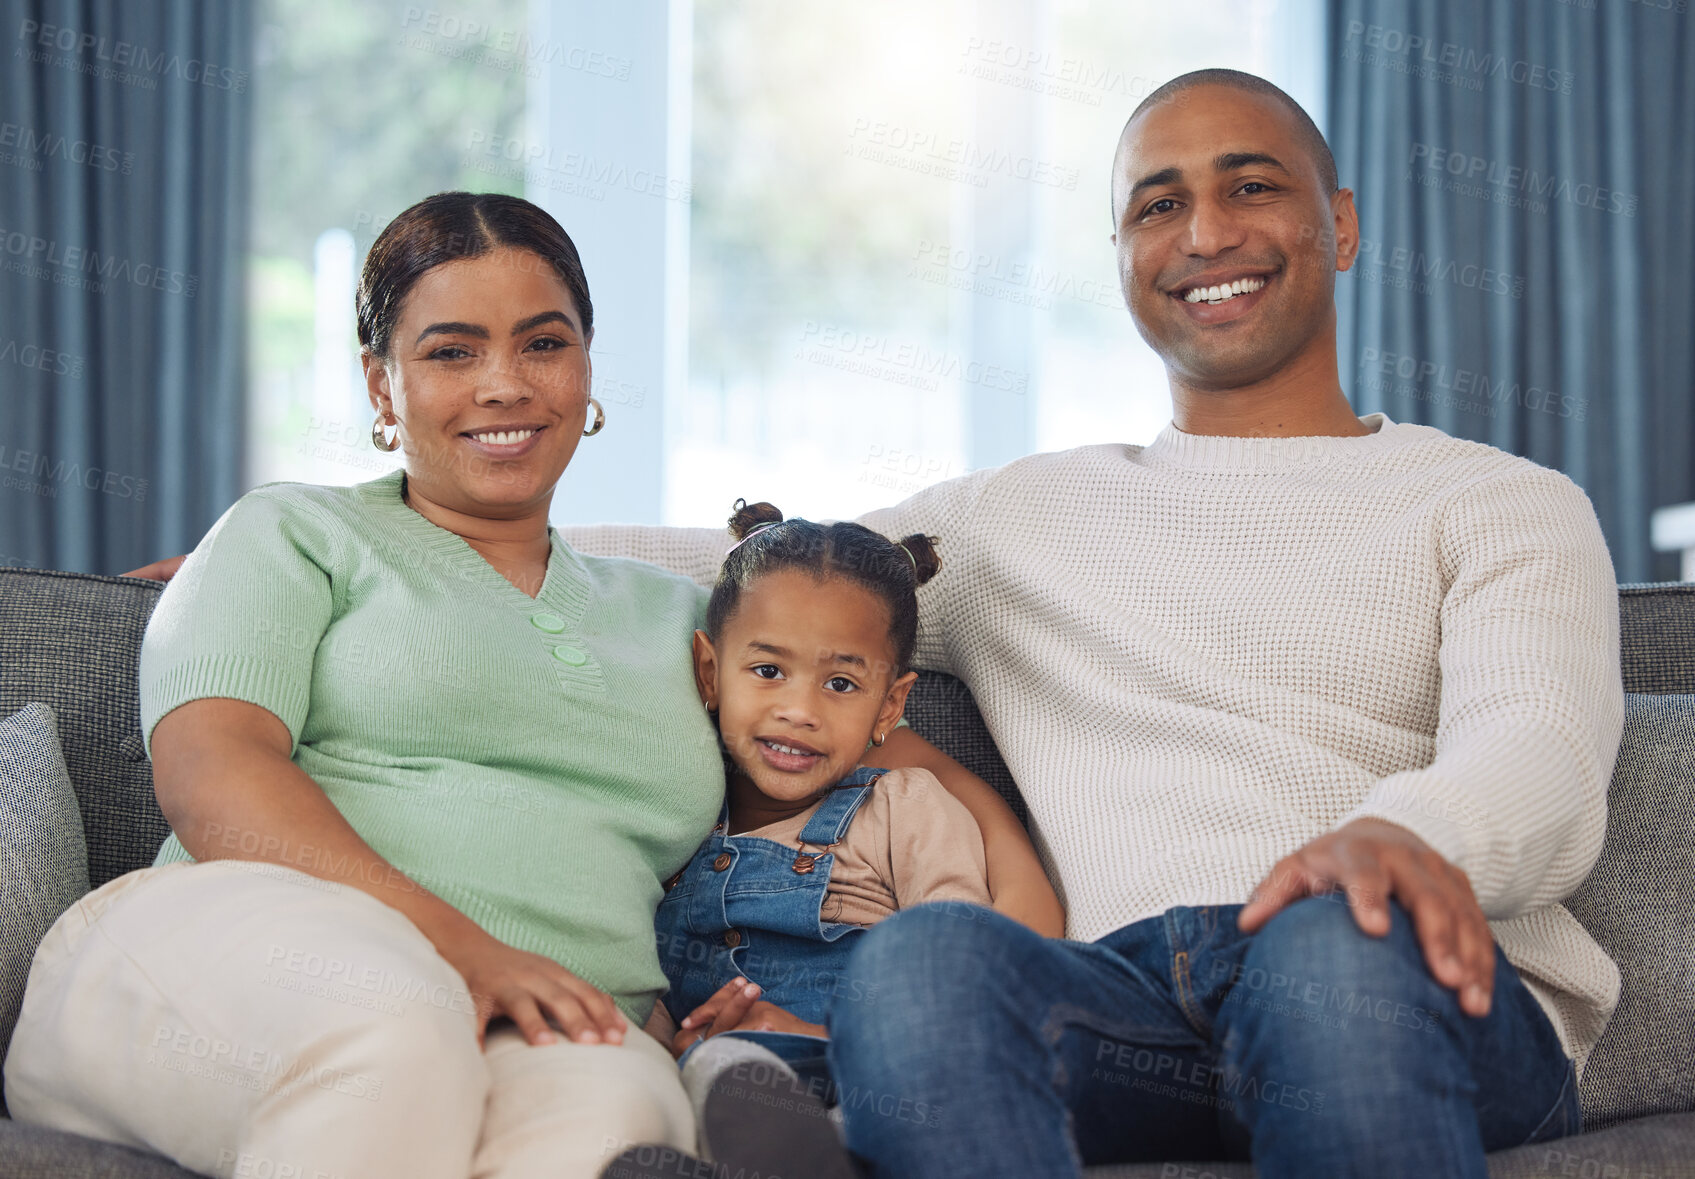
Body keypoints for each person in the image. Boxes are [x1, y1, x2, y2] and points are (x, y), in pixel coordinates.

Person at [564, 70, 1625, 1178]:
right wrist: (433, 526)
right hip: (1125, 1005)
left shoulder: (1501, 500)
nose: (1207, 232)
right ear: (1122, 257)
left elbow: (1540, 743)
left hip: (1405, 992)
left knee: (1329, 939)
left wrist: (1409, 838)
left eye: (1250, 186)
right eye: (1158, 206)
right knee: (923, 961)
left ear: (1341, 223)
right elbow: (760, 577)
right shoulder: (1021, 517)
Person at [4, 192, 1059, 1179]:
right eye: (451, 352)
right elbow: (209, 770)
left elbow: (886, 732)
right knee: (395, 1032)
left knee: (609, 1121)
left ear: (587, 369)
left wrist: (1002, 980)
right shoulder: (292, 535)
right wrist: (466, 950)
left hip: (567, 1018)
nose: (505, 385)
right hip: (230, 951)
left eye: (542, 344)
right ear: (382, 384)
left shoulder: (684, 621)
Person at [631, 501, 995, 1179]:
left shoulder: (902, 807)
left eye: (839, 683)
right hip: (709, 1079)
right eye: (767, 671)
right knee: (686, 1094)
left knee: (738, 1075)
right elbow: (638, 981)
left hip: (864, 1071)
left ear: (889, 705)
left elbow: (954, 980)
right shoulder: (675, 824)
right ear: (709, 673)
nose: (799, 711)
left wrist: (820, 1037)